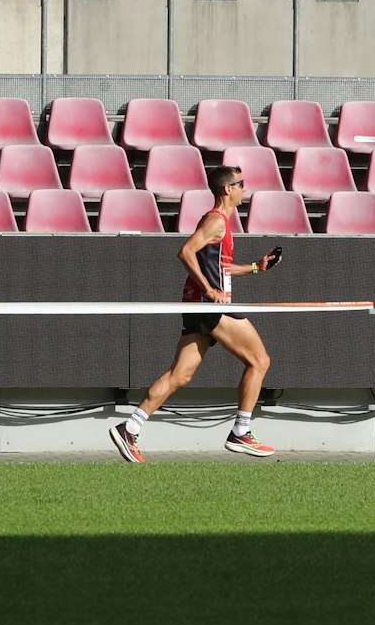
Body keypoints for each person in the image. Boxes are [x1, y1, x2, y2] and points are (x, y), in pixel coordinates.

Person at [108, 164, 282, 463]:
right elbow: (186, 252)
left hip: (199, 307)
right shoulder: (216, 221)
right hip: (209, 307)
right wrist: (210, 290)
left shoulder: (220, 224)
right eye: (241, 184)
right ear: (227, 189)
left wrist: (255, 267)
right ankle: (241, 431)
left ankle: (130, 427)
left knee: (180, 375)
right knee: (259, 360)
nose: (245, 189)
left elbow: (221, 268)